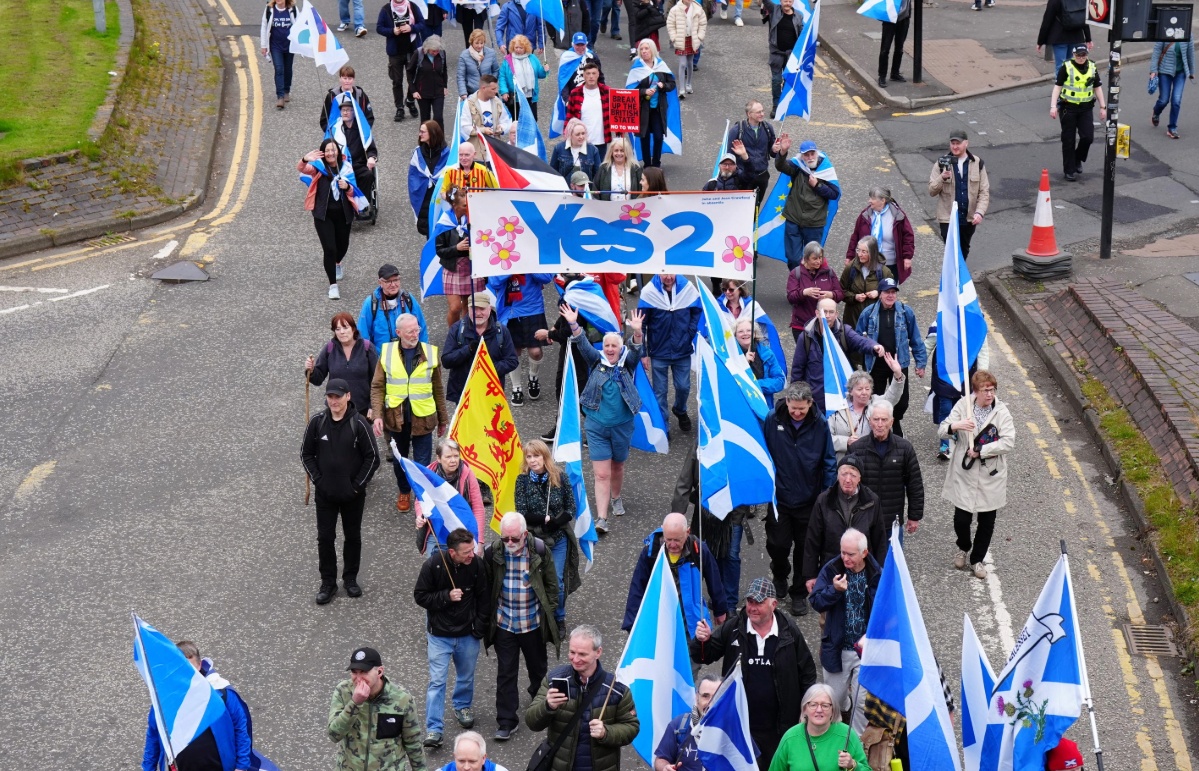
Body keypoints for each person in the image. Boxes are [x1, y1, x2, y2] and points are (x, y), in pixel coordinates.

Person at [692, 577, 820, 770]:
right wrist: (702, 640)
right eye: (750, 602)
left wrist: (807, 710)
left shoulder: (789, 631)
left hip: (779, 727)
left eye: (758, 603)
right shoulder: (733, 627)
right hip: (740, 725)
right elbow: (705, 655)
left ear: (773, 604)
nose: (752, 607)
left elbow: (808, 672)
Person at [562, 303, 645, 532]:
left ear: (620, 349)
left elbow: (636, 350)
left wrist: (637, 332)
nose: (609, 349)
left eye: (614, 346)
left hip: (622, 426)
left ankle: (616, 497)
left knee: (617, 466)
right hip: (596, 426)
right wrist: (573, 322)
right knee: (601, 473)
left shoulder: (627, 364)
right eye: (607, 345)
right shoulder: (595, 361)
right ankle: (601, 519)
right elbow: (582, 343)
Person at [300, 379, 381, 605]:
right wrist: (318, 480)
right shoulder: (318, 422)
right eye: (330, 396)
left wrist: (356, 486)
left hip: (352, 496)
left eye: (338, 396)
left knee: (352, 536)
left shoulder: (360, 424)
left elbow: (372, 458)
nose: (334, 401)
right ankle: (328, 583)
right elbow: (306, 454)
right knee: (325, 538)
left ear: (348, 396)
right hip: (325, 495)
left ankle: (350, 579)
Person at [484, 511, 561, 742]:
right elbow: (486, 585)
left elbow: (552, 586)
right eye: (505, 538)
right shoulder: (493, 552)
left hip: (532, 623)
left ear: (524, 534)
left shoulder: (538, 550)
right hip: (504, 623)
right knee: (506, 674)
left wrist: (551, 614)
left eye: (514, 539)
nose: (509, 543)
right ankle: (506, 721)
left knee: (538, 669)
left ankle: (541, 706)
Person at [763, 382, 836, 617]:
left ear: (810, 404)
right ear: (787, 402)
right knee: (778, 544)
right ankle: (780, 572)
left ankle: (798, 593)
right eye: (793, 408)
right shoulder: (772, 420)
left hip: (809, 500)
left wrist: (826, 496)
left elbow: (829, 462)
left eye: (801, 410)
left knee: (806, 551)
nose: (796, 413)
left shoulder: (820, 424)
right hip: (780, 499)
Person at [413, 528, 489, 748]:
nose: (471, 555)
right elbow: (420, 596)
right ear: (452, 553)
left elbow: (484, 597)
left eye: (472, 549)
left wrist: (479, 628)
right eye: (466, 552)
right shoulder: (433, 565)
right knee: (437, 682)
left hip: (468, 634)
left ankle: (462, 706)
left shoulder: (477, 565)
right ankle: (434, 729)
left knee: (466, 676)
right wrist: (446, 596)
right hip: (440, 636)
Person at [525, 626, 640, 770]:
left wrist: (606, 732)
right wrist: (547, 706)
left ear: (598, 652)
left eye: (582, 654)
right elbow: (531, 722)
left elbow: (631, 727)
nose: (576, 659)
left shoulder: (616, 689)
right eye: (572, 652)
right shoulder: (554, 679)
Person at [940, 370, 1015, 579]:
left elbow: (1008, 442)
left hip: (991, 476)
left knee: (987, 521)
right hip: (965, 474)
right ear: (976, 391)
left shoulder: (1002, 412)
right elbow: (942, 430)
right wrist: (956, 426)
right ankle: (963, 546)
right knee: (961, 519)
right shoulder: (963, 406)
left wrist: (982, 450)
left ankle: (977, 560)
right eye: (985, 390)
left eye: (992, 390)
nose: (989, 394)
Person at [371, 313, 448, 513]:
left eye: (417, 330)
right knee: (399, 460)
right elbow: (378, 386)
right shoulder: (386, 353)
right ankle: (404, 490)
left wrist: (443, 419)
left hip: (423, 419)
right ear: (399, 333)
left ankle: (421, 496)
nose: (415, 334)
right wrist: (378, 415)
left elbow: (438, 389)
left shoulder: (430, 353)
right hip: (395, 420)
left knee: (422, 463)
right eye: (410, 331)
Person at [808, 529, 880, 732]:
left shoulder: (876, 573)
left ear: (864, 553)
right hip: (838, 648)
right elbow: (816, 601)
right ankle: (843, 711)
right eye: (843, 553)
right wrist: (835, 591)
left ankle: (856, 742)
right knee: (835, 700)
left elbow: (887, 609)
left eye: (851, 554)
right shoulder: (832, 569)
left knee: (863, 703)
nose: (845, 558)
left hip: (866, 651)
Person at [142, 641, 253, 771]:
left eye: (190, 668)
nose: (186, 675)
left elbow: (241, 727)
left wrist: (241, 766)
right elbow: (154, 736)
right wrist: (148, 768)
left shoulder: (222, 693)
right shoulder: (164, 701)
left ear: (199, 665)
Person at [671, 445, 754, 607]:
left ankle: (729, 604)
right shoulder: (700, 441)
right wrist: (676, 518)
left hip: (733, 511)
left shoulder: (737, 440)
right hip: (705, 512)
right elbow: (685, 481)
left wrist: (739, 517)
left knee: (730, 555)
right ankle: (713, 596)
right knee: (702, 554)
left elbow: (747, 480)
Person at [514, 439, 580, 639]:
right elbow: (521, 511)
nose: (533, 460)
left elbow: (570, 508)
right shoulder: (522, 480)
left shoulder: (559, 477)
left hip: (558, 537)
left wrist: (555, 522)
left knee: (557, 581)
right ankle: (538, 617)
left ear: (545, 457)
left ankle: (559, 618)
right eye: (529, 456)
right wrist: (543, 519)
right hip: (535, 539)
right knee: (535, 579)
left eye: (537, 456)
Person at [622, 512, 728, 633]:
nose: (672, 545)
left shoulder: (698, 549)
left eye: (677, 540)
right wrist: (632, 623)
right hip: (660, 614)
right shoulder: (651, 552)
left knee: (693, 649)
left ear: (687, 532)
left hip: (690, 616)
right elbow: (638, 586)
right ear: (663, 531)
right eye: (668, 539)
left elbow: (713, 579)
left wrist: (720, 609)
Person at [846, 401, 923, 563]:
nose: (880, 424)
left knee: (892, 567)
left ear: (891, 422)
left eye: (884, 420)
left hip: (892, 522)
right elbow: (847, 486)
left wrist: (914, 516)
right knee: (863, 566)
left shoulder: (905, 448)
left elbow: (914, 484)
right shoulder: (856, 449)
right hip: (863, 521)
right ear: (869, 421)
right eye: (876, 419)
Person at [328, 647, 426, 771]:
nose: (358, 679)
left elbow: (413, 743)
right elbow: (334, 735)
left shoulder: (403, 699)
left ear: (379, 672)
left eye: (364, 672)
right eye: (354, 672)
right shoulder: (343, 691)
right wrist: (355, 703)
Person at [803, 460, 885, 595]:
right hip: (831, 569)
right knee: (829, 613)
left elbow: (879, 540)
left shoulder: (872, 501)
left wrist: (880, 572)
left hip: (862, 570)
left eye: (853, 475)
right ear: (837, 476)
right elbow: (812, 539)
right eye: (843, 474)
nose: (848, 479)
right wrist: (810, 575)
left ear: (860, 478)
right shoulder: (823, 500)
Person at [856, 277, 926, 432]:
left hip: (898, 363)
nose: (890, 295)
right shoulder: (868, 314)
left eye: (893, 292)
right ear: (880, 294)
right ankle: (880, 428)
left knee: (902, 402)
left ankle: (892, 422)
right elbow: (857, 339)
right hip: (876, 364)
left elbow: (916, 338)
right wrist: (871, 348)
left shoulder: (906, 312)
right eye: (887, 292)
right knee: (876, 400)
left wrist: (920, 363)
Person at [792, 298, 882, 410]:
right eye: (824, 312)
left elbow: (859, 341)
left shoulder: (844, 332)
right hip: (815, 398)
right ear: (817, 313)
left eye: (831, 312)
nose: (828, 316)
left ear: (836, 314)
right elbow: (797, 369)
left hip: (840, 396)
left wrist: (873, 346)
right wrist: (797, 396)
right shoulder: (805, 337)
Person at [640, 273, 701, 434]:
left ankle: (680, 410)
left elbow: (697, 310)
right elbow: (641, 323)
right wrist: (643, 353)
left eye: (670, 274)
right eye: (664, 274)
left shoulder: (687, 288)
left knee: (683, 387)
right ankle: (663, 425)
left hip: (682, 348)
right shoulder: (649, 291)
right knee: (660, 391)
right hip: (659, 350)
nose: (668, 277)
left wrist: (690, 332)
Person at [298, 140, 356, 301]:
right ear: (323, 153)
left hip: (344, 214)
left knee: (342, 246)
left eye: (333, 150)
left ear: (338, 151)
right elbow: (301, 168)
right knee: (329, 249)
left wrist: (347, 187)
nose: (330, 153)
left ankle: (338, 262)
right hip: (323, 215)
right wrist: (304, 159)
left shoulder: (346, 167)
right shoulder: (318, 167)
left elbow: (354, 191)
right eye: (327, 151)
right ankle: (333, 285)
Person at [487, 270, 554, 406]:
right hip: (509, 310)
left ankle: (533, 378)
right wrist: (512, 269)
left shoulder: (531, 254)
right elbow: (494, 282)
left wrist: (527, 265)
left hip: (533, 309)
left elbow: (547, 277)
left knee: (535, 352)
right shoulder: (502, 255)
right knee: (514, 352)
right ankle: (516, 387)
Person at [767, 684, 870, 771]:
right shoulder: (790, 737)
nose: (819, 710)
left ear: (833, 710)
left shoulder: (847, 735)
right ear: (804, 709)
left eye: (825, 705)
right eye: (813, 704)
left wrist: (853, 765)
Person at [774, 137, 840, 270]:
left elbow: (834, 194)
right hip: (794, 219)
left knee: (813, 259)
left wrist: (817, 185)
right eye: (806, 155)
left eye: (812, 154)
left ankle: (808, 286)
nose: (810, 157)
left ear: (817, 153)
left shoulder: (826, 169)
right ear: (802, 156)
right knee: (793, 258)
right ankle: (796, 285)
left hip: (814, 223)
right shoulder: (798, 167)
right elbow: (780, 166)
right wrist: (782, 152)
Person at [442, 291, 520, 405]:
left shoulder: (501, 331)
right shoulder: (457, 329)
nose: (478, 313)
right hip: (464, 394)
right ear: (468, 309)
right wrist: (467, 350)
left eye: (482, 309)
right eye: (474, 308)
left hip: (491, 393)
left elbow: (512, 361)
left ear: (490, 309)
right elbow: (446, 361)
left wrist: (487, 369)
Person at [417, 439, 487, 553]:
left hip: (461, 533)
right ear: (439, 458)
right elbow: (420, 499)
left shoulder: (468, 475)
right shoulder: (428, 473)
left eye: (456, 456)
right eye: (448, 457)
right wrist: (420, 515)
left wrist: (479, 541)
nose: (453, 460)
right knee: (436, 569)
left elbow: (478, 508)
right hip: (436, 533)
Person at [928, 129, 989, 260]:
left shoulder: (978, 163)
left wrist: (979, 212)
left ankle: (959, 278)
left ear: (966, 143)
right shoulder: (941, 163)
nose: (955, 147)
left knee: (964, 249)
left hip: (968, 218)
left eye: (958, 143)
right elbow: (932, 191)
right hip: (947, 219)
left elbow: (984, 192)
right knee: (951, 251)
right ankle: (955, 279)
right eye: (952, 143)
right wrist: (942, 178)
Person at [308, 312, 379, 422]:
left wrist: (373, 406)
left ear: (353, 328)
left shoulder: (367, 348)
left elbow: (377, 381)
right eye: (337, 329)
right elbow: (318, 379)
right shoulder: (330, 348)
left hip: (362, 411)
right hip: (335, 409)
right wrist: (311, 370)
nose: (342, 332)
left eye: (345, 327)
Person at [1050, 45, 1107, 181]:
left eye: (1083, 55)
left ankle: (1077, 158)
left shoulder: (1092, 67)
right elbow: (1057, 87)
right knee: (1068, 140)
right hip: (1068, 108)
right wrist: (1053, 106)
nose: (1081, 58)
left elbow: (1097, 87)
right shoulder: (1067, 66)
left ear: (1087, 54)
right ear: (1074, 54)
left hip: (1086, 108)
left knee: (1088, 137)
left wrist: (1102, 107)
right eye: (1078, 55)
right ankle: (1069, 170)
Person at [436, 185, 489, 329]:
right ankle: (453, 335)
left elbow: (485, 241)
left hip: (471, 268)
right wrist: (456, 248)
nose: (468, 208)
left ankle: (465, 335)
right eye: (465, 205)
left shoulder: (473, 220)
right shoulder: (444, 223)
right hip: (453, 268)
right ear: (454, 205)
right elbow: (439, 251)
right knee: (455, 308)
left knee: (469, 307)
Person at [827, 361, 904, 458]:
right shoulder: (837, 408)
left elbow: (893, 396)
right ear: (850, 391)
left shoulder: (876, 402)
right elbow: (826, 437)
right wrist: (846, 442)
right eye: (859, 389)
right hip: (844, 462)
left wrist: (897, 374)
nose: (864, 393)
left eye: (867, 389)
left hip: (872, 460)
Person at [844, 186, 914, 286]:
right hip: (868, 261)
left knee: (888, 291)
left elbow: (908, 237)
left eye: (872, 198)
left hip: (890, 263)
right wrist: (849, 256)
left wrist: (907, 257)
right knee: (869, 290)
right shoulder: (865, 215)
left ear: (883, 200)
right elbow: (855, 237)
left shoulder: (898, 215)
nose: (869, 201)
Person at [653, 675, 721, 771]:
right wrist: (665, 767)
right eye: (705, 696)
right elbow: (661, 758)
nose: (710, 703)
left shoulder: (736, 730)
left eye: (716, 697)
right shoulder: (679, 725)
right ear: (697, 697)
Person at [359, 263, 429, 350]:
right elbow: (363, 334)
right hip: (382, 358)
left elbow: (422, 327)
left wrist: (423, 351)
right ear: (380, 282)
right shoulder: (371, 303)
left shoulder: (408, 299)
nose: (393, 284)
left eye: (396, 280)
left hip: (409, 354)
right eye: (388, 281)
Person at [378, 0, 427, 122]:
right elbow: (379, 28)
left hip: (412, 50)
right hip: (395, 52)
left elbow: (422, 24)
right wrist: (392, 31)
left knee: (414, 78)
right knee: (397, 80)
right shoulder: (386, 10)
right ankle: (399, 107)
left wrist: (411, 27)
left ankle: (410, 101)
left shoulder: (413, 7)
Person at [630, 39, 676, 167]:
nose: (644, 51)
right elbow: (631, 89)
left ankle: (656, 163)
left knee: (658, 136)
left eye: (646, 48)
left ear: (652, 50)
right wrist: (644, 91)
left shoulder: (661, 66)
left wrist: (663, 86)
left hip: (658, 108)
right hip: (643, 108)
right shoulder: (637, 67)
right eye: (642, 49)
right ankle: (647, 164)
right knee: (644, 137)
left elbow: (672, 84)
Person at [838, 237, 891, 343]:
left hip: (876, 321)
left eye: (864, 251)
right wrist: (854, 297)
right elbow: (840, 291)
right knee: (854, 352)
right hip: (853, 319)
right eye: (858, 250)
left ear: (872, 252)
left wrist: (879, 293)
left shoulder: (884, 272)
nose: (859, 254)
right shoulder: (851, 268)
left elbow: (891, 295)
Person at [726, 101, 777, 206]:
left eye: (762, 111)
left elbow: (773, 154)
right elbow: (729, 157)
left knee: (756, 208)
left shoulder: (768, 128)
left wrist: (777, 150)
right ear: (749, 114)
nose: (762, 114)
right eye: (758, 112)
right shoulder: (736, 131)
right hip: (743, 176)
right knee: (741, 208)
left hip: (762, 176)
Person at [332, 97, 379, 211]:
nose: (345, 113)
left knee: (367, 176)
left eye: (348, 110)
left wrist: (372, 158)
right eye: (343, 110)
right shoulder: (335, 129)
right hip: (341, 166)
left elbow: (371, 148)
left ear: (354, 112)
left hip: (358, 164)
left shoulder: (362, 130)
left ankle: (361, 205)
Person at [786, 243, 842, 337]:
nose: (818, 261)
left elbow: (840, 294)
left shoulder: (829, 272)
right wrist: (804, 293)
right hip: (802, 325)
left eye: (820, 257)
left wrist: (830, 295)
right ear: (806, 258)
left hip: (825, 324)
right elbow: (791, 297)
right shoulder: (796, 273)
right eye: (815, 258)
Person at [762, 0, 804, 114]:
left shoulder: (799, 16)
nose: (787, 3)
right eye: (785, 1)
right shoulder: (774, 10)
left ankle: (783, 103)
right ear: (780, 1)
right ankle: (776, 106)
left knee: (788, 81)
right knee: (776, 80)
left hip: (791, 55)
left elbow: (802, 35)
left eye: (790, 1)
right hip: (776, 53)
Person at [566, 62, 613, 158]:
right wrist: (567, 138)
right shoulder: (575, 93)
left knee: (598, 170)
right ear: (583, 75)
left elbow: (616, 115)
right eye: (588, 73)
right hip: (581, 140)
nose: (591, 76)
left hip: (601, 141)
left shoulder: (607, 92)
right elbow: (569, 117)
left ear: (598, 74)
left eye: (593, 73)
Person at [410, 122, 449, 236]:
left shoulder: (447, 154)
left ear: (432, 133)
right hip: (424, 196)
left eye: (423, 132)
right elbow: (413, 177)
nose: (419, 134)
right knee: (428, 231)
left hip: (440, 196)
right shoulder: (418, 153)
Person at [1150, 39, 1195, 139]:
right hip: (1164, 71)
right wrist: (1153, 70)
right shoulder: (1165, 31)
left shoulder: (1187, 33)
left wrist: (1191, 71)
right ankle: (1156, 112)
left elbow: (1190, 54)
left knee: (1176, 100)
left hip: (1180, 73)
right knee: (1163, 100)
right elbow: (1157, 51)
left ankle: (1172, 128)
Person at [461, 75, 515, 156]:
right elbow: (465, 127)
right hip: (477, 153)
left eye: (496, 88)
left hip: (495, 152)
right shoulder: (468, 104)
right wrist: (483, 130)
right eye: (493, 89)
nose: (496, 91)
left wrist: (501, 128)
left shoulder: (498, 102)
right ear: (483, 88)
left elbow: (506, 122)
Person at [736, 317, 785, 405]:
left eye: (749, 330)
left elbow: (779, 381)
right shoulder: (730, 356)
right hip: (741, 405)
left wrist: (755, 385)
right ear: (735, 335)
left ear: (754, 333)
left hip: (764, 404)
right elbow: (729, 383)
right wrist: (744, 363)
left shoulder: (767, 353)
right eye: (740, 331)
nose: (745, 334)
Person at [499, 34, 549, 121]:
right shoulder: (507, 60)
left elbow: (540, 74)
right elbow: (502, 77)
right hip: (515, 97)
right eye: (516, 47)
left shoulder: (533, 58)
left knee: (532, 121)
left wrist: (545, 70)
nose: (518, 50)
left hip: (531, 96)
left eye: (521, 48)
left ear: (525, 48)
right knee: (517, 122)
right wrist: (504, 92)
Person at [1037, 0, 1092, 74]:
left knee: (1061, 68)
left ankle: (1060, 85)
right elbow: (1084, 18)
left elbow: (1047, 21)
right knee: (1072, 66)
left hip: (1059, 37)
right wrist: (1088, 38)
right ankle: (1070, 85)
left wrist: (1040, 41)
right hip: (1076, 36)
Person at [260, 0, 297, 110]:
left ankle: (286, 90)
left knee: (288, 68)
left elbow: (299, 25)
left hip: (289, 45)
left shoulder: (293, 9)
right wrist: (263, 45)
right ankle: (280, 96)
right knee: (279, 68)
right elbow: (264, 27)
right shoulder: (269, 9)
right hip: (275, 46)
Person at [666, 0, 706, 98]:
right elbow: (670, 24)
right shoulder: (675, 9)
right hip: (681, 39)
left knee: (690, 62)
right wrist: (674, 37)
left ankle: (688, 84)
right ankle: (682, 88)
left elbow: (702, 23)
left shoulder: (698, 9)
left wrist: (700, 37)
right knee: (683, 63)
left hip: (692, 39)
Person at [320, 65, 377, 133]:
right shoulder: (332, 96)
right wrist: (331, 133)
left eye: (350, 78)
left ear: (353, 79)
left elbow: (369, 117)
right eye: (344, 78)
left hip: (357, 134)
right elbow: (324, 119)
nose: (347, 81)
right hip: (337, 134)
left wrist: (364, 132)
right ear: (340, 78)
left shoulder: (361, 95)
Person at [410, 36, 448, 128]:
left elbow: (444, 70)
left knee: (438, 118)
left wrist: (445, 86)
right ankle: (424, 142)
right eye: (433, 51)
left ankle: (440, 141)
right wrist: (413, 90)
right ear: (427, 49)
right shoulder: (418, 54)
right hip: (423, 92)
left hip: (438, 91)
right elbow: (409, 71)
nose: (435, 53)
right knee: (425, 120)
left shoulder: (442, 54)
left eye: (437, 51)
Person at [551, 119, 603, 184]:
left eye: (583, 133)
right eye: (578, 134)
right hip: (564, 189)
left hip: (586, 190)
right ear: (570, 135)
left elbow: (598, 175)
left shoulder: (593, 150)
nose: (581, 137)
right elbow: (553, 172)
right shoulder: (559, 148)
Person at [457, 29, 501, 100]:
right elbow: (461, 76)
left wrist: (491, 82)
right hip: (472, 93)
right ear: (471, 42)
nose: (480, 46)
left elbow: (496, 70)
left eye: (482, 43)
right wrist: (463, 93)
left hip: (489, 92)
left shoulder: (491, 53)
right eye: (477, 43)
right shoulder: (464, 56)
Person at [876, 0, 911, 88]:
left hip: (904, 19)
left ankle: (895, 73)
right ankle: (882, 76)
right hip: (890, 19)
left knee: (899, 48)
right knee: (885, 49)